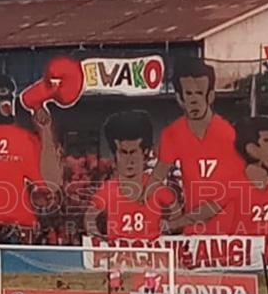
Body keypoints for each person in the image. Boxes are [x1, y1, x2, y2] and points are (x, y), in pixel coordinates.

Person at [146, 58, 245, 235]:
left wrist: (176, 222)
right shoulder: (172, 133)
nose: (194, 100)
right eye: (189, 93)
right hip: (193, 234)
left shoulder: (228, 135)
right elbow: (157, 177)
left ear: (211, 95)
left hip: (230, 233)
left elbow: (225, 197)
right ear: (179, 97)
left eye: (199, 93)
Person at [0, 74, 61, 230]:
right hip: (0, 223)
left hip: (12, 223)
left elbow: (49, 182)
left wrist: (46, 130)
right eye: (2, 93)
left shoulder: (24, 139)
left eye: (10, 93)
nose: (8, 99)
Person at [86, 111, 176, 240]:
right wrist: (100, 241)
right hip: (119, 257)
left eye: (133, 152)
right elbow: (89, 218)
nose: (129, 160)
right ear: (115, 154)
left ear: (144, 153)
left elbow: (177, 213)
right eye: (123, 153)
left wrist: (168, 228)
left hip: (151, 255)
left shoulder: (156, 188)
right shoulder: (107, 190)